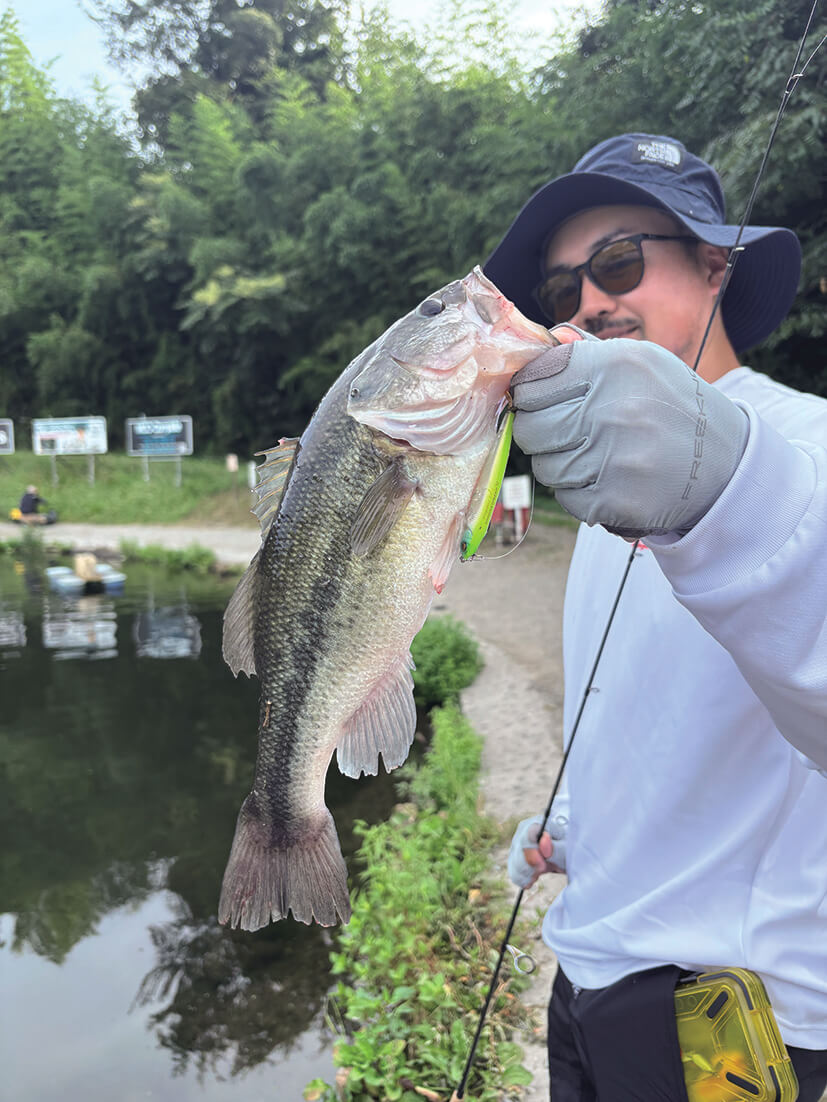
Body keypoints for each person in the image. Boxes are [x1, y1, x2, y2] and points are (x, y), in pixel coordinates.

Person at [484, 133, 827, 1101]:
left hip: (732, 1012)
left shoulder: (804, 447)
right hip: (587, 975)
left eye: (617, 261)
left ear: (715, 264)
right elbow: (645, 714)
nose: (589, 302)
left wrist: (724, 499)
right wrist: (574, 823)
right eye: (561, 291)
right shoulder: (602, 499)